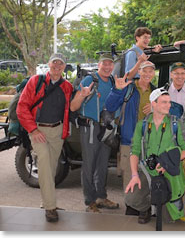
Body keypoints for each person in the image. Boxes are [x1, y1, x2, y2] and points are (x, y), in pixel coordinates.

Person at [16, 53, 73, 222]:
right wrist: (33, 130)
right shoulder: (36, 82)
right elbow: (22, 107)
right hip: (38, 130)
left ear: (64, 67)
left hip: (57, 132)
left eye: (60, 64)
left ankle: (46, 201)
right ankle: (50, 207)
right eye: (54, 63)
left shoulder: (67, 86)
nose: (57, 66)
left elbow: (71, 108)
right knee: (46, 165)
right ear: (49, 64)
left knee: (51, 168)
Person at [124, 88, 185, 224]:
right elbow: (134, 151)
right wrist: (135, 175)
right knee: (131, 199)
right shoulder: (141, 125)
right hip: (148, 171)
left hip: (169, 172)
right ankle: (146, 208)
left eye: (169, 102)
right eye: (164, 102)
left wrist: (167, 163)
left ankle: (161, 205)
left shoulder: (176, 124)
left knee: (169, 220)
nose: (169, 105)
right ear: (153, 104)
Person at [70, 53, 119, 213]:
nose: (107, 67)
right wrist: (82, 95)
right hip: (91, 127)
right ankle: (89, 201)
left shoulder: (112, 81)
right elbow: (73, 107)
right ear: (99, 65)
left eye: (110, 64)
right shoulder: (90, 80)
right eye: (104, 64)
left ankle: (101, 197)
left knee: (102, 164)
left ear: (113, 66)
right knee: (90, 164)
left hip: (107, 128)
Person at [105, 61, 157, 213]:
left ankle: (144, 206)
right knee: (129, 174)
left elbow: (167, 110)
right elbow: (110, 106)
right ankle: (131, 207)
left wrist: (155, 109)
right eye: (144, 71)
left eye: (151, 71)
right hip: (129, 139)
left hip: (149, 142)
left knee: (148, 174)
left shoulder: (156, 92)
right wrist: (117, 90)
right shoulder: (128, 89)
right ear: (139, 71)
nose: (147, 74)